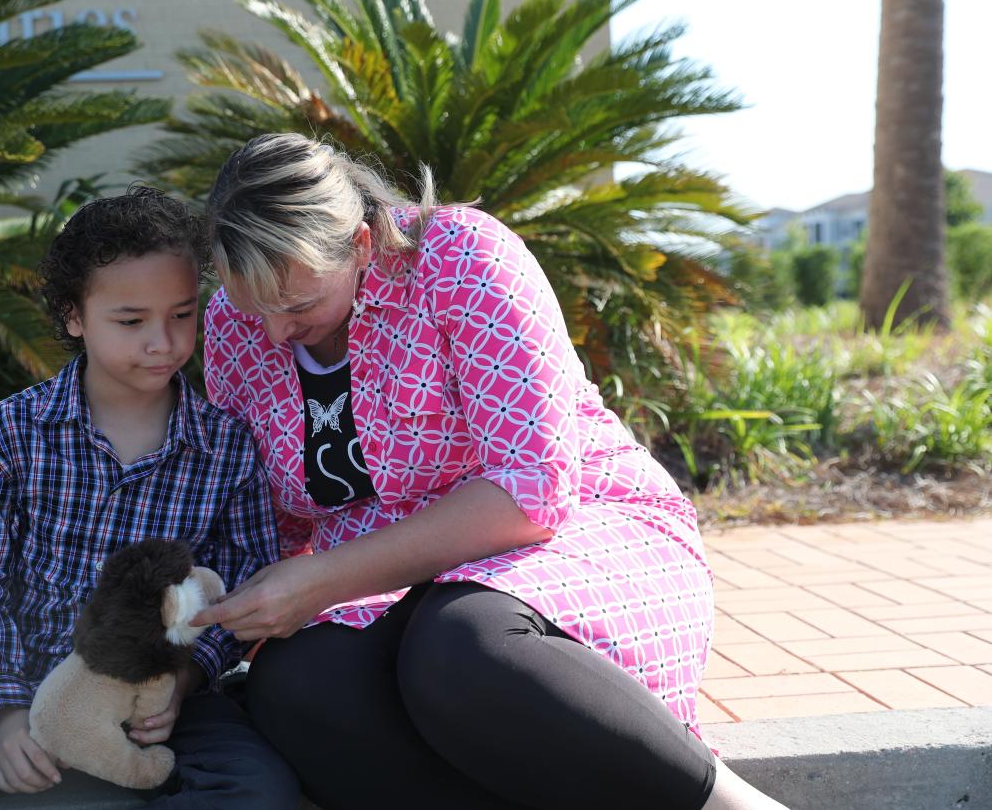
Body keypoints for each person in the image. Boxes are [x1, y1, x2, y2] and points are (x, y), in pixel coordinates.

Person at [193, 133, 788, 810]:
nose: (273, 335)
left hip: (577, 534)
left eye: (298, 307)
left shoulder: (459, 256)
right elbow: (272, 518)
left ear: (360, 246)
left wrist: (325, 578)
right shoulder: (231, 326)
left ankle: (734, 806)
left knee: (462, 649)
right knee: (299, 687)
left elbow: (530, 493)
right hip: (388, 584)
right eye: (254, 307)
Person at [0, 187, 298, 810]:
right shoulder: (10, 434)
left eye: (182, 314)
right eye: (131, 321)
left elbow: (237, 588)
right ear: (74, 316)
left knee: (257, 791)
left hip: (161, 702)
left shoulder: (227, 447)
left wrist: (181, 684)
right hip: (28, 686)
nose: (164, 341)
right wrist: (8, 719)